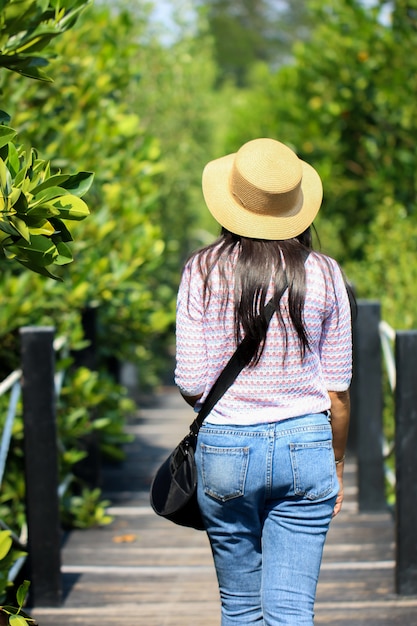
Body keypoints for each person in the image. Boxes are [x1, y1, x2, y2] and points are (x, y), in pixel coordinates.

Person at [174, 138, 352, 625]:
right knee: (292, 610)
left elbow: (191, 380)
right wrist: (337, 463)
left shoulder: (202, 271)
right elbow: (337, 390)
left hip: (226, 450)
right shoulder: (324, 273)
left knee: (241, 608)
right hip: (307, 445)